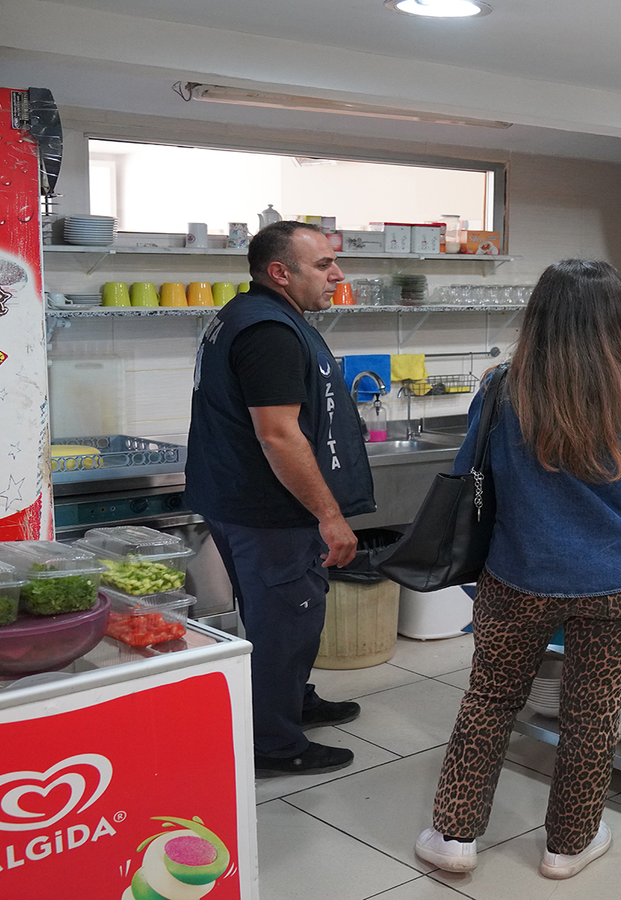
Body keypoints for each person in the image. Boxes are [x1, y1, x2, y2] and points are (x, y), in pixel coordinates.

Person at [413, 259, 621, 880]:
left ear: (540, 312)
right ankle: (568, 846)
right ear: (613, 318)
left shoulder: (503, 388)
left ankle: (454, 836)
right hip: (615, 581)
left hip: (517, 577)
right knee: (593, 714)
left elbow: (471, 475)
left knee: (490, 699)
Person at [185, 221, 376, 777]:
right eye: (323, 265)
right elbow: (278, 435)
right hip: (270, 511)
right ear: (280, 273)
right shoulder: (269, 331)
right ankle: (273, 742)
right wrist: (330, 515)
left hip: (240, 500)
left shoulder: (246, 313)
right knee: (286, 623)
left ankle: (290, 702)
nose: (337, 274)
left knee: (277, 618)